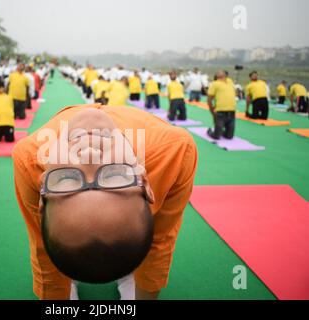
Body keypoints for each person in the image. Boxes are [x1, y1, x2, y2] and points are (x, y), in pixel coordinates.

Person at [12, 104, 198, 300]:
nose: (89, 155)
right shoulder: (173, 150)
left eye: (67, 178)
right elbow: (160, 240)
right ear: (144, 181)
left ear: (43, 189)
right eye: (115, 174)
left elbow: (159, 243)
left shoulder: (30, 159)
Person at [207, 70, 237, 140]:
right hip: (220, 112)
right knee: (216, 137)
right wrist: (212, 112)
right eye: (218, 72)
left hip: (232, 112)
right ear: (216, 75)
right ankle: (210, 131)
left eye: (221, 72)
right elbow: (209, 100)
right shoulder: (215, 84)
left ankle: (220, 131)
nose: (220, 72)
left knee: (229, 137)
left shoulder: (230, 82)